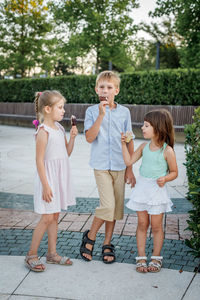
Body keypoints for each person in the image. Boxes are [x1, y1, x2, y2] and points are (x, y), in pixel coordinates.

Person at [80, 70, 136, 264]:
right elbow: (89, 137)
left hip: (120, 166)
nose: (105, 90)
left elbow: (129, 140)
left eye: (109, 87)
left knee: (115, 209)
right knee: (108, 205)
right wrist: (101, 115)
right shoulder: (91, 111)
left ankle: (107, 243)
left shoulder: (125, 112)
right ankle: (91, 237)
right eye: (102, 87)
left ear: (116, 91)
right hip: (101, 165)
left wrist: (130, 168)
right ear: (97, 90)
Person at [25, 90, 78, 272]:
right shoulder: (43, 131)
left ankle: (52, 254)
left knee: (55, 216)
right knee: (47, 217)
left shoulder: (60, 129)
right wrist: (46, 185)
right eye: (60, 107)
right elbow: (39, 161)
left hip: (59, 178)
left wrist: (72, 138)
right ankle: (31, 254)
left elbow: (66, 153)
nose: (63, 111)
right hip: (47, 180)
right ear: (47, 109)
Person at [121, 109, 178, 273]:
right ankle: (141, 257)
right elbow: (128, 160)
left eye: (146, 125)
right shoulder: (143, 146)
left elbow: (174, 172)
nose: (142, 128)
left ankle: (156, 257)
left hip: (157, 192)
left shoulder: (167, 151)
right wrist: (123, 144)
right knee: (142, 224)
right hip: (142, 189)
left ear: (158, 128)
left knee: (156, 226)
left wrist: (165, 178)